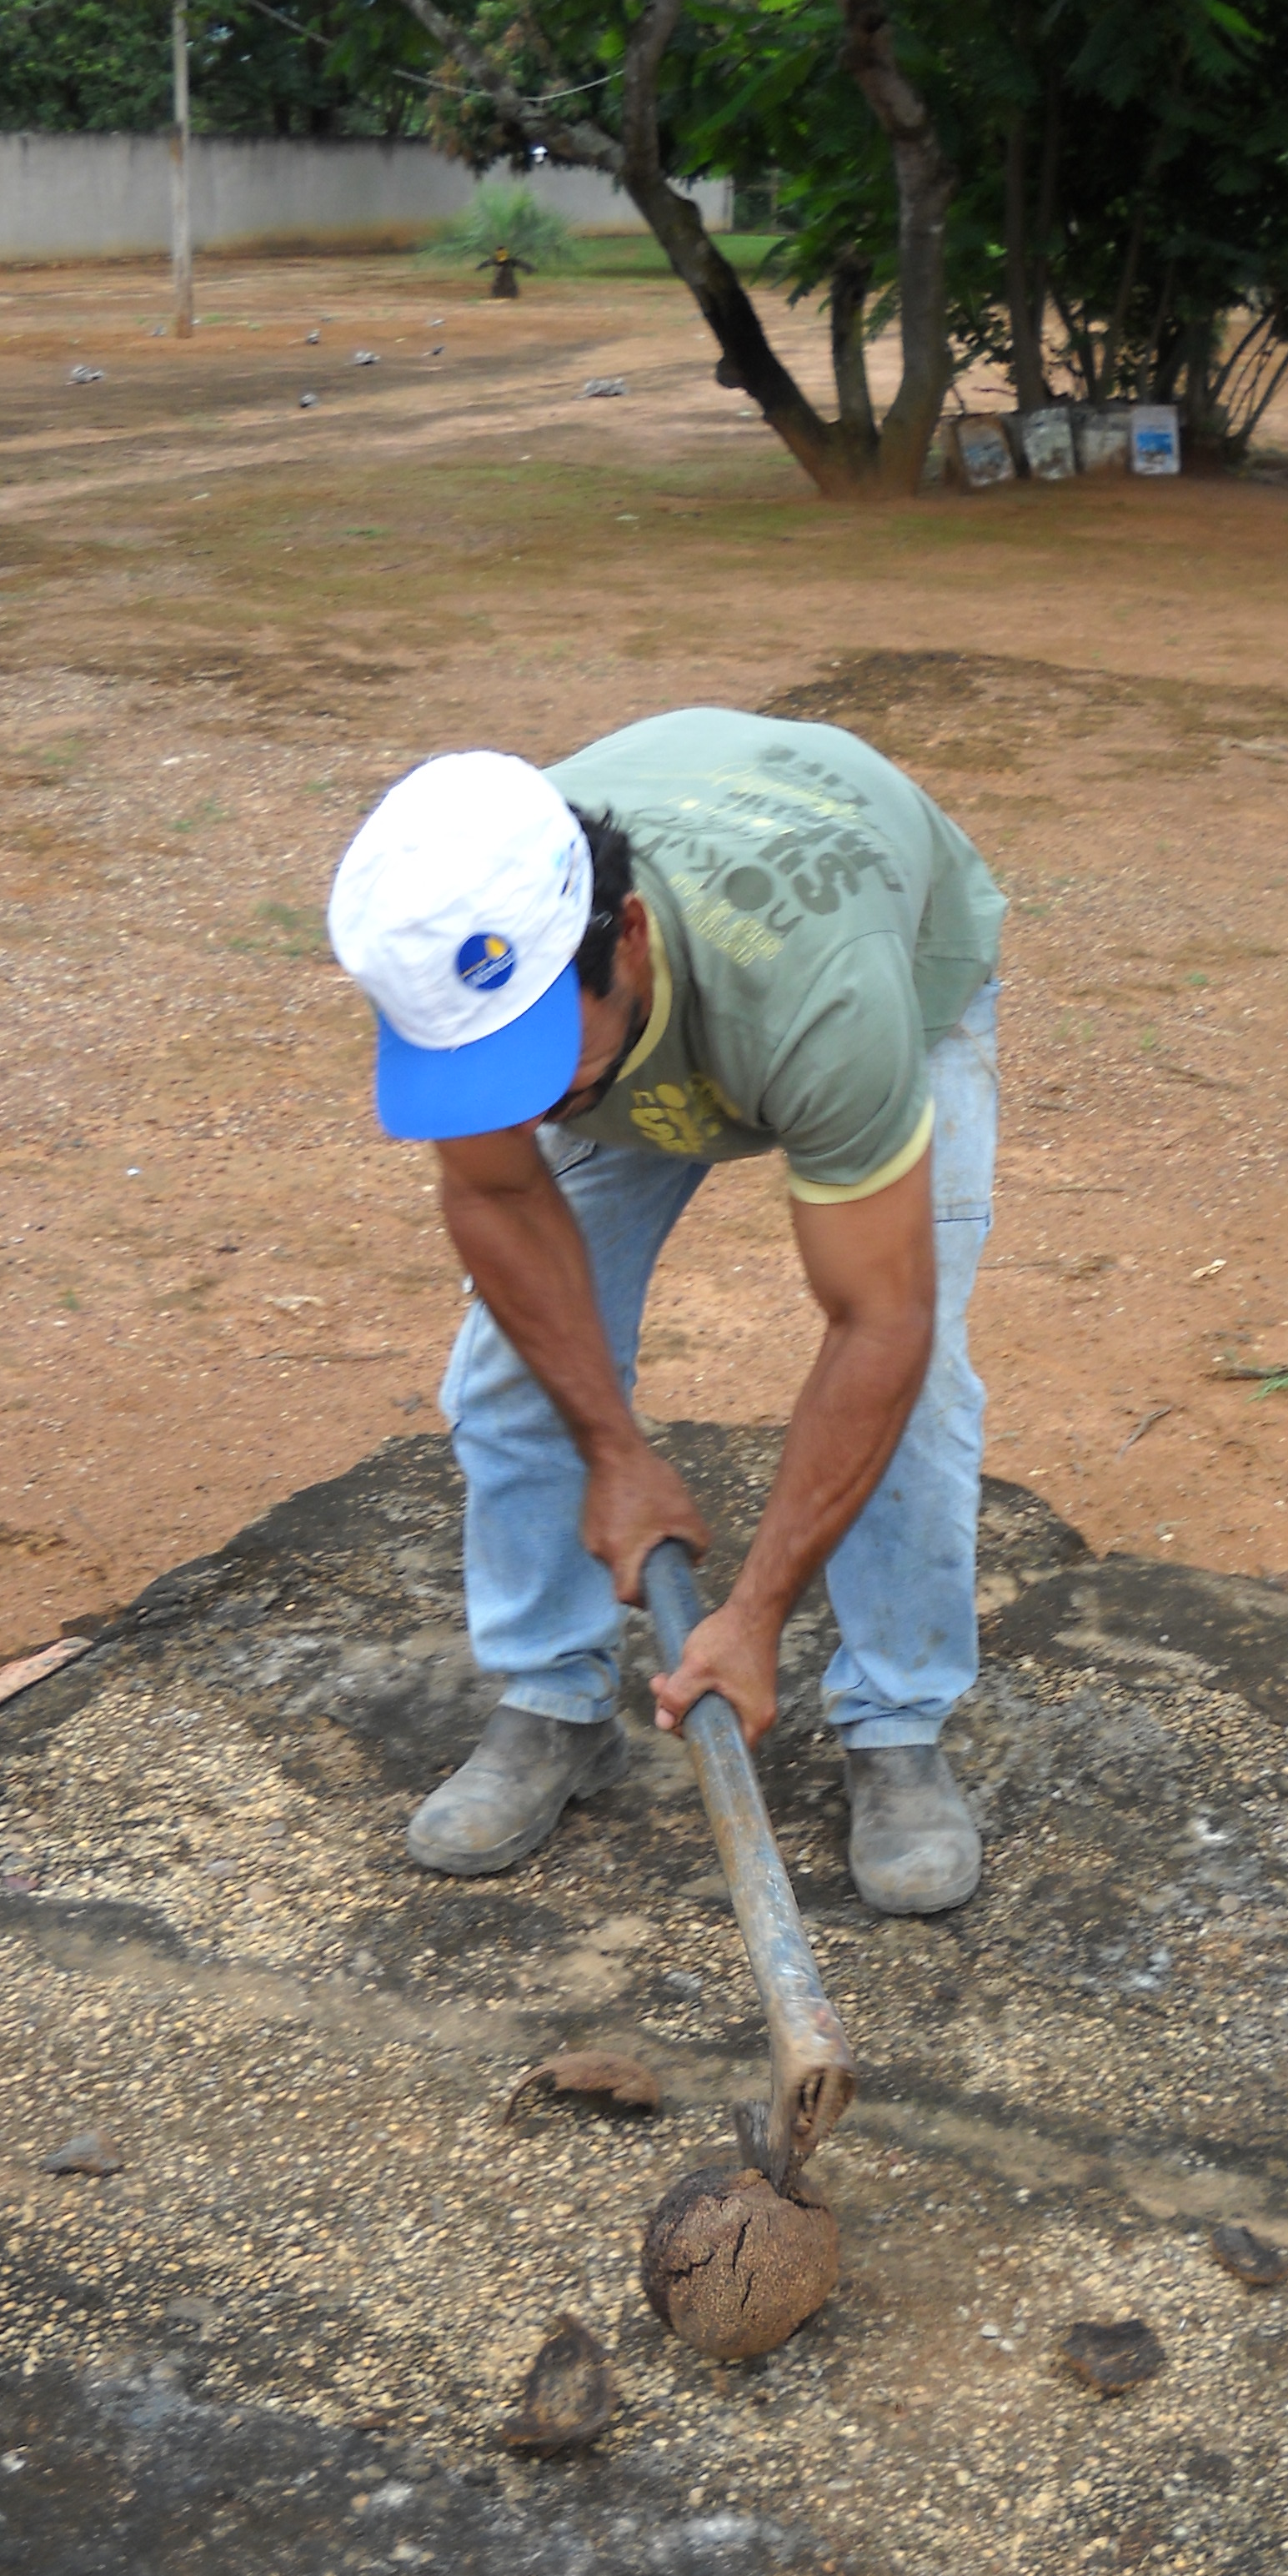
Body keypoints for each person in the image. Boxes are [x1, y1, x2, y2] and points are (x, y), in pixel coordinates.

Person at [326, 707, 1005, 1916]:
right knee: (506, 1370)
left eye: (541, 1056)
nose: (524, 1095)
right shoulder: (469, 952)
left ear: (626, 935)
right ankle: (553, 1700)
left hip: (872, 957)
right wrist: (614, 1452)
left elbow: (876, 1323)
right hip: (674, 990)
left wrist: (753, 1613)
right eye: (491, 1064)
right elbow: (492, 1190)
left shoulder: (827, 999)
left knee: (926, 1381)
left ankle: (895, 1723)